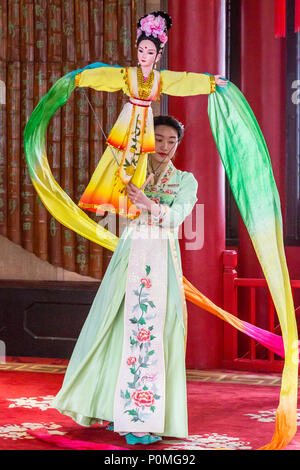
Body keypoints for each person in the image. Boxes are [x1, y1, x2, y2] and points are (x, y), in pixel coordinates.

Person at [51, 114, 201, 445]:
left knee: (151, 335)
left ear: (178, 145)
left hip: (160, 262)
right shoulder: (134, 173)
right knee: (113, 327)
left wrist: (148, 203)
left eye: (171, 141)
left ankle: (144, 418)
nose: (164, 147)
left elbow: (177, 217)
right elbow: (109, 204)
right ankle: (112, 406)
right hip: (129, 257)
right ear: (150, 141)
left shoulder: (185, 181)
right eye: (158, 140)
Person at [74, 11, 227, 219]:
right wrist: (81, 78)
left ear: (158, 55)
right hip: (129, 119)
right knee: (120, 157)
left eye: (150, 52)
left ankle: (132, 197)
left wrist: (208, 82)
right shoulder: (127, 75)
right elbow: (106, 75)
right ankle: (108, 195)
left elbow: (182, 81)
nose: (144, 56)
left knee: (140, 155)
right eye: (141, 51)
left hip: (144, 120)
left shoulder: (160, 79)